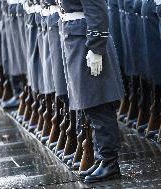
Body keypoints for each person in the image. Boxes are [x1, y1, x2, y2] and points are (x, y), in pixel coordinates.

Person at [60, 0, 124, 183]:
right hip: (76, 35)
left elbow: (97, 8)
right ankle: (101, 157)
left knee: (99, 102)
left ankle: (109, 161)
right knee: (90, 103)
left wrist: (96, 47)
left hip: (85, 39)